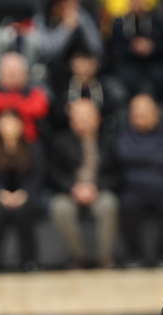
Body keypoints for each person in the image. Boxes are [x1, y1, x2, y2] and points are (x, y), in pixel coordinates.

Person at [46, 98, 119, 269]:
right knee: (60, 207)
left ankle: (105, 259)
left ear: (98, 118)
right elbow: (53, 173)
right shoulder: (60, 142)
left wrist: (96, 187)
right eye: (78, 116)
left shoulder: (108, 142)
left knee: (108, 204)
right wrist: (73, 188)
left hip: (99, 190)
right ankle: (78, 258)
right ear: (71, 120)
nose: (83, 120)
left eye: (87, 115)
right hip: (70, 191)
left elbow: (116, 173)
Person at [113, 94, 163, 267]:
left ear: (156, 113)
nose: (139, 116)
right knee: (127, 204)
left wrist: (139, 158)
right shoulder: (123, 133)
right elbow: (122, 154)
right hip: (132, 188)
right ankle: (134, 256)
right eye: (136, 112)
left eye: (144, 112)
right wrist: (153, 157)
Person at [0, 110, 44, 272]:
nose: (9, 127)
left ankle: (29, 260)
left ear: (21, 126)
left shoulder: (32, 147)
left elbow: (37, 176)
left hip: (25, 194)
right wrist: (0, 193)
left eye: (13, 123)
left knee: (24, 211)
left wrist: (24, 193)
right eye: (5, 123)